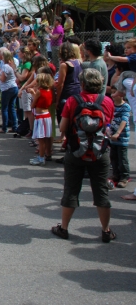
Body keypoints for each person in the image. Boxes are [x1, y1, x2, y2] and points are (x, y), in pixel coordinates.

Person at [51, 69, 115, 243]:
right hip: (100, 152)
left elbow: (63, 128)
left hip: (76, 151)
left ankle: (63, 228)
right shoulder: (107, 101)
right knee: (101, 192)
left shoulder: (73, 101)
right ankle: (106, 230)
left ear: (82, 84)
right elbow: (108, 126)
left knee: (71, 190)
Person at [27, 73, 54, 165]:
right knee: (45, 138)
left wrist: (32, 93)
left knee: (41, 139)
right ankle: (43, 155)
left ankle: (41, 158)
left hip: (41, 117)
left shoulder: (40, 91)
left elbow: (33, 104)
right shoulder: (49, 90)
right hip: (47, 115)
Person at [108, 84, 130, 188]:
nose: (113, 95)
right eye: (112, 92)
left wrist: (118, 133)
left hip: (122, 137)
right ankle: (116, 175)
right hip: (112, 136)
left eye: (115, 92)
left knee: (122, 158)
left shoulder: (125, 107)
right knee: (113, 156)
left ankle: (124, 177)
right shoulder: (111, 105)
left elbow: (124, 121)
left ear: (122, 94)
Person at [0, 49, 19, 134]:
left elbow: (2, 79)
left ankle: (4, 127)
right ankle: (14, 126)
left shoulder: (6, 66)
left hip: (7, 88)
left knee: (4, 108)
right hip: (14, 87)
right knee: (12, 108)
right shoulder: (12, 65)